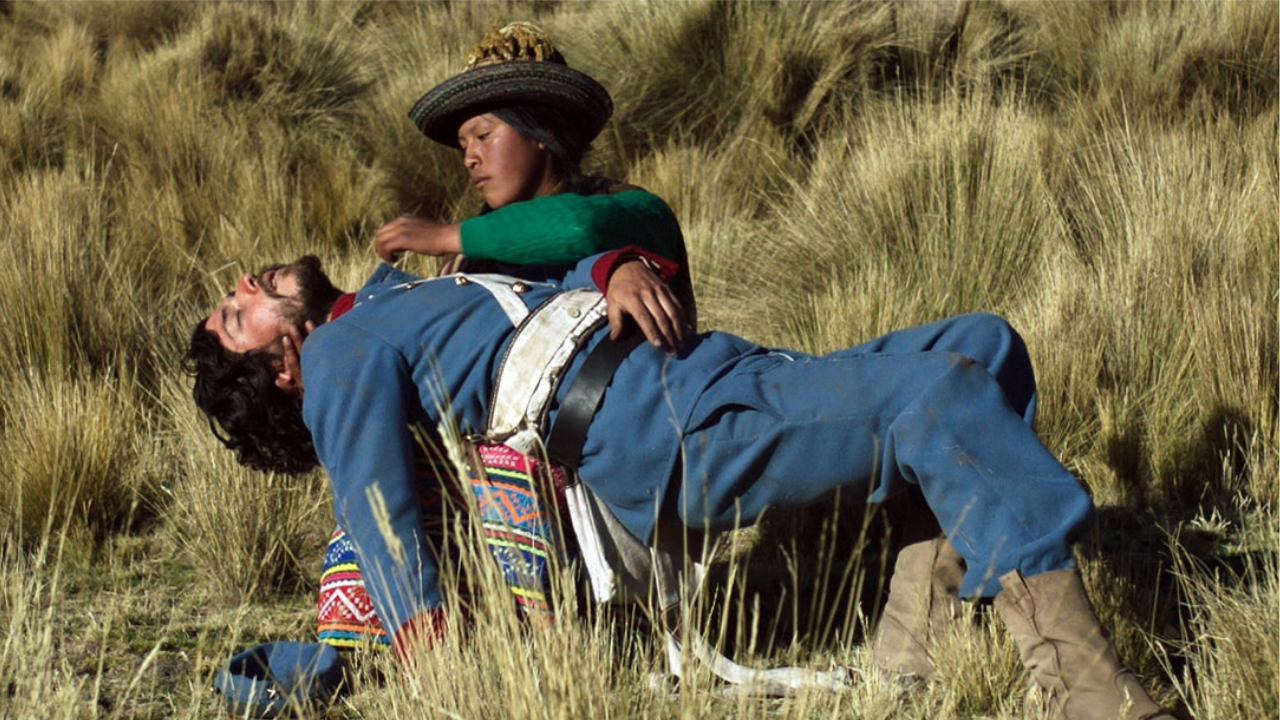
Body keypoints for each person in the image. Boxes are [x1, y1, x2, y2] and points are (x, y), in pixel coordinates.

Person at [184, 248, 1172, 720]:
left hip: (708, 373)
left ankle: (909, 659)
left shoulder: (393, 294)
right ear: (282, 370)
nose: (244, 287)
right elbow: (383, 521)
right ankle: (1088, 698)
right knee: (936, 401)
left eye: (233, 293)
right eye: (238, 316)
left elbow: (560, 268)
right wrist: (439, 660)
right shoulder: (347, 354)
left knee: (978, 347)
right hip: (654, 427)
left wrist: (612, 269)